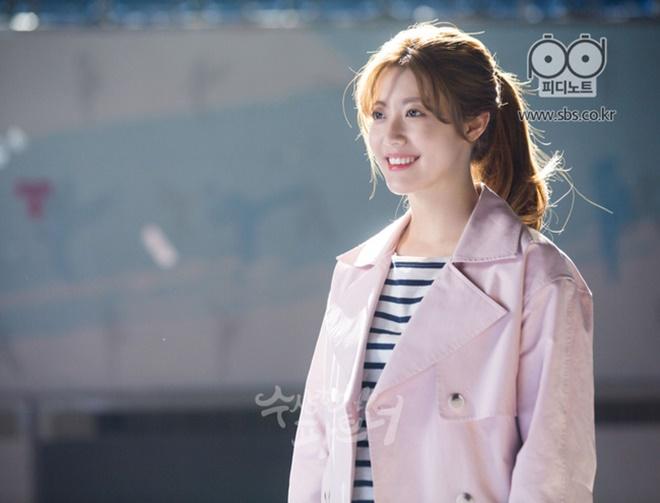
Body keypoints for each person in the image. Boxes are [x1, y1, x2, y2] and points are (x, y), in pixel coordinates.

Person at [288, 21, 596, 503]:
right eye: (378, 113)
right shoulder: (355, 274)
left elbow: (553, 469)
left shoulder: (539, 278)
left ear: (474, 124)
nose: (390, 135)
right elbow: (317, 444)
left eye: (414, 112)